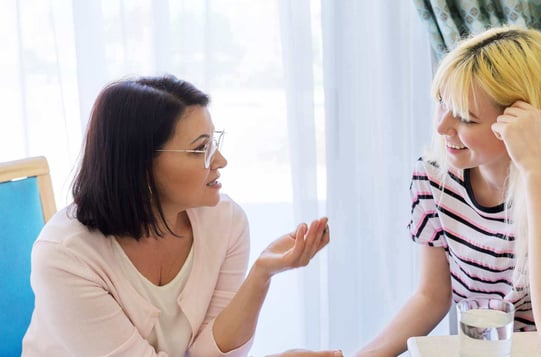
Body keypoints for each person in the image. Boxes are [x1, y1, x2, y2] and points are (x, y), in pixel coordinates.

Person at [357, 26, 541, 355]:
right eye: (441, 104)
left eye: (465, 118)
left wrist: (536, 170)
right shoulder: (433, 178)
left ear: (520, 121)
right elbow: (431, 297)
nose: (441, 126)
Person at [22, 75, 342, 357]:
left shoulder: (225, 221)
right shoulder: (65, 256)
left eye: (214, 142)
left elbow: (209, 355)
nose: (220, 160)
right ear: (140, 166)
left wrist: (262, 273)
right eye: (200, 149)